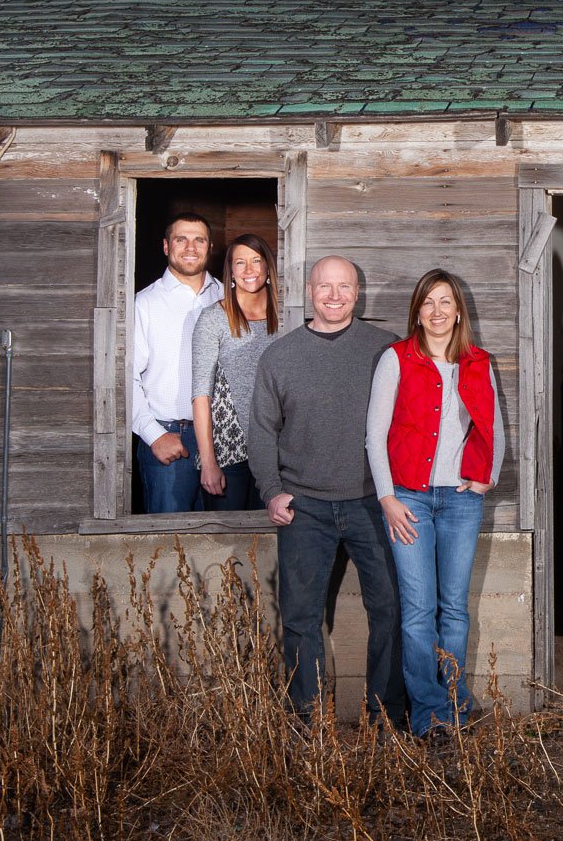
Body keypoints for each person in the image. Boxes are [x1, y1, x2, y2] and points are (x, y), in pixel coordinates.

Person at [250, 255, 405, 726]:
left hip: (372, 501)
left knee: (393, 610)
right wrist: (272, 491)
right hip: (305, 506)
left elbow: (414, 420)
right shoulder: (280, 355)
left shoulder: (387, 350)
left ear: (358, 293)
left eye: (344, 287)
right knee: (300, 616)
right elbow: (261, 430)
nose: (334, 295)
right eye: (325, 286)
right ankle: (306, 720)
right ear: (308, 290)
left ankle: (386, 717)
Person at [366, 268, 506, 738]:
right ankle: (428, 714)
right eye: (429, 302)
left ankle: (455, 705)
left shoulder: (478, 362)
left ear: (458, 310)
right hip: (409, 500)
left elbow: (495, 427)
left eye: (445, 302)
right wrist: (386, 497)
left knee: (455, 608)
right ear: (418, 312)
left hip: (461, 501)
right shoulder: (396, 360)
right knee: (419, 609)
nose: (438, 311)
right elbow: (375, 434)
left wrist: (487, 478)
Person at [129, 212, 223, 514]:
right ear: (167, 246)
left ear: (210, 247)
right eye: (181, 239)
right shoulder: (144, 304)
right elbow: (125, 377)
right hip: (170, 437)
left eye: (199, 240)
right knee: (169, 544)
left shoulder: (228, 297)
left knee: (228, 541)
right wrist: (153, 434)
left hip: (224, 439)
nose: (191, 247)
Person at [190, 233, 280, 511]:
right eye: (240, 263)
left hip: (277, 450)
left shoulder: (287, 316)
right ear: (230, 272)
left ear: (268, 268)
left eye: (256, 261)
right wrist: (208, 462)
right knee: (227, 543)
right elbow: (201, 394)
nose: (249, 270)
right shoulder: (213, 318)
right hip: (228, 452)